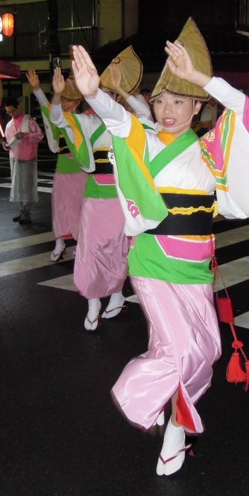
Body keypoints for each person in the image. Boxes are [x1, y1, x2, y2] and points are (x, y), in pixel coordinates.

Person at [69, 18, 249, 476]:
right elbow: (115, 118)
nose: (167, 109)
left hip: (195, 266)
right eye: (162, 99)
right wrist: (93, 93)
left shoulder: (212, 148)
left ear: (196, 106)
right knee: (180, 350)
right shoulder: (143, 140)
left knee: (203, 351)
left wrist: (199, 76)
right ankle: (141, 403)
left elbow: (244, 110)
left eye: (180, 100)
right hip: (151, 261)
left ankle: (175, 427)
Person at [50, 46, 151, 331]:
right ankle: (93, 301)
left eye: (112, 95)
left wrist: (126, 91)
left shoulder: (130, 124)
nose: (107, 99)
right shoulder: (87, 122)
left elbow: (147, 115)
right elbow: (58, 118)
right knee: (90, 250)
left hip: (122, 199)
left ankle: (117, 296)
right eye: (102, 94)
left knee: (119, 250)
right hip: (95, 197)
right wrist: (57, 94)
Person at [28, 68, 87, 261]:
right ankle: (60, 241)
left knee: (80, 207)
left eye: (71, 100)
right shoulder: (58, 119)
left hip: (82, 171)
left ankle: (81, 242)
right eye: (65, 99)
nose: (66, 103)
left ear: (78, 102)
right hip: (63, 169)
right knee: (60, 206)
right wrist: (38, 89)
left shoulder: (85, 120)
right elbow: (48, 106)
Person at [3, 96, 43, 224]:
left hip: (27, 158)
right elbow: (8, 142)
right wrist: (6, 145)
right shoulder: (9, 124)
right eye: (8, 112)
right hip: (15, 158)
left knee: (26, 186)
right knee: (18, 186)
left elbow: (39, 136)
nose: (11, 114)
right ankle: (21, 210)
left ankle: (26, 212)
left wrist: (25, 135)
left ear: (18, 108)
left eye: (12, 111)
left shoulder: (29, 121)